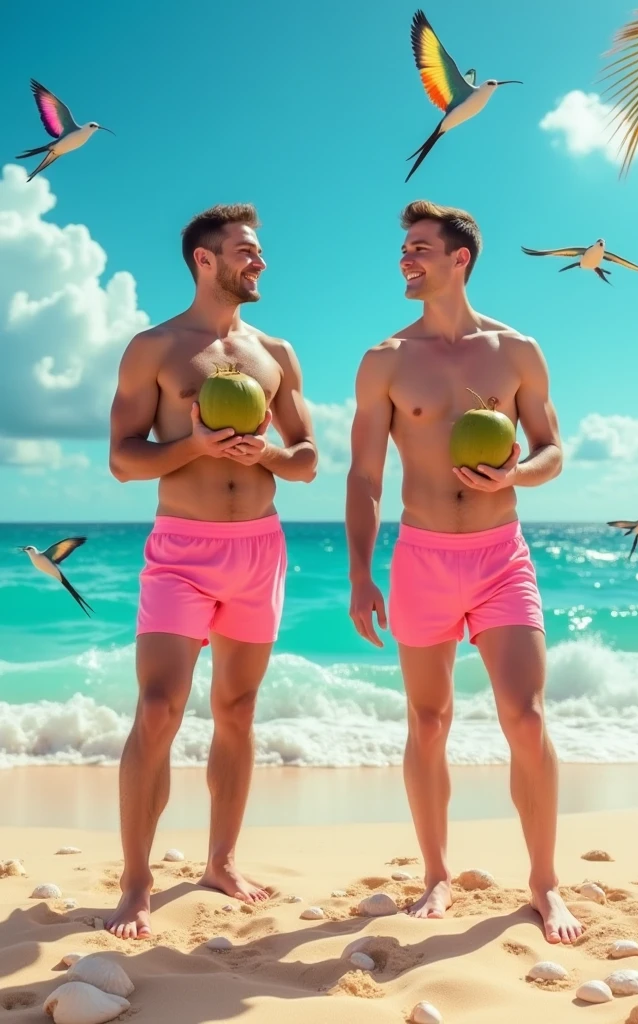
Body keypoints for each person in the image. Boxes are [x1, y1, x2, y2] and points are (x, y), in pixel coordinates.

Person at [345, 200, 583, 945]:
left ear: (460, 259)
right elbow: (363, 476)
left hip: (500, 555)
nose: (405, 261)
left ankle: (544, 883)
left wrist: (520, 470)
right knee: (428, 720)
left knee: (528, 716)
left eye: (419, 248)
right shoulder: (385, 359)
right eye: (403, 250)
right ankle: (437, 873)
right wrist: (360, 572)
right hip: (421, 557)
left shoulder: (517, 352)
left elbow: (551, 450)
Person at [107, 203, 317, 940]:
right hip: (182, 552)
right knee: (159, 709)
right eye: (245, 251)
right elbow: (124, 459)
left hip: (259, 549)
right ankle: (136, 882)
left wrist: (264, 455)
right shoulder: (154, 348)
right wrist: (194, 446)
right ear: (204, 260)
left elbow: (308, 461)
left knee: (236, 710)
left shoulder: (276, 352)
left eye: (258, 251)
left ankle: (220, 861)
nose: (258, 262)